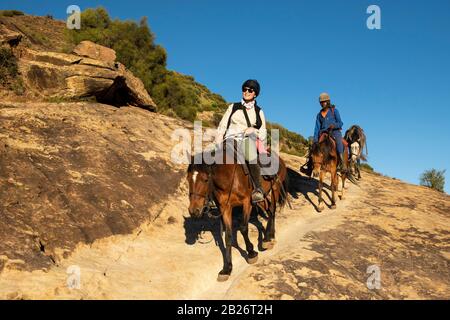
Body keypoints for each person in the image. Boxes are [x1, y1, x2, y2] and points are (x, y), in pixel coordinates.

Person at [215, 79, 267, 203]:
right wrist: (218, 138)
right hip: (230, 138)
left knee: (250, 156)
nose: (246, 92)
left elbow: (263, 131)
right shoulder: (233, 107)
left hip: (247, 139)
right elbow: (223, 124)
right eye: (244, 89)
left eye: (250, 90)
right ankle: (211, 194)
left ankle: (258, 189)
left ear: (255, 94)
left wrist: (254, 130)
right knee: (212, 159)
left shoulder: (259, 111)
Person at [313, 92, 348, 172]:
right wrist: (315, 140)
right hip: (323, 134)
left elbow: (340, 123)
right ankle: (310, 166)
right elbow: (317, 128)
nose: (322, 104)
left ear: (328, 101)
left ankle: (342, 164)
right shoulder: (319, 115)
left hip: (335, 132)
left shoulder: (334, 111)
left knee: (339, 143)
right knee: (314, 148)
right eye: (321, 102)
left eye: (324, 102)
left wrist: (334, 126)